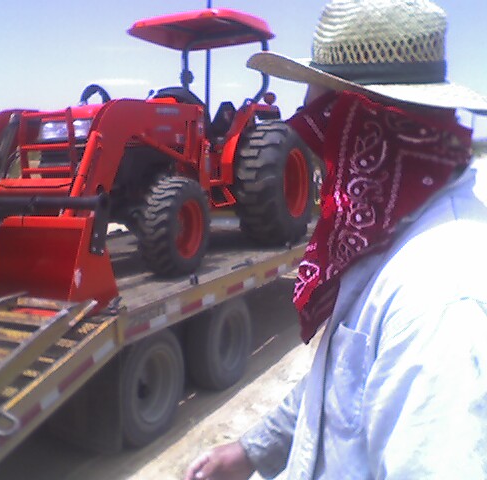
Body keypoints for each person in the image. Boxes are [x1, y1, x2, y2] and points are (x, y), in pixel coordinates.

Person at [185, 0, 487, 479]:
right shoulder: (388, 234)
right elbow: (342, 382)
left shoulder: (439, 303)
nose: (323, 160)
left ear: (366, 131)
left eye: (323, 132)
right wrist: (252, 450)